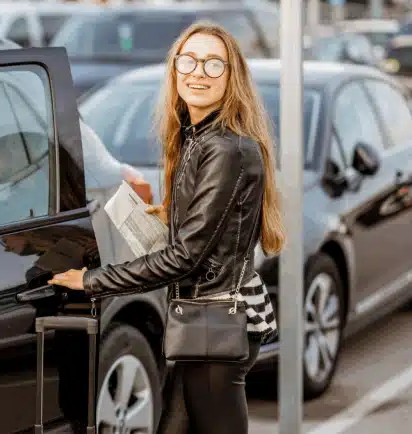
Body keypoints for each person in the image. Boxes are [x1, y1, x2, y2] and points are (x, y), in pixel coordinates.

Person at [48, 21, 284, 434]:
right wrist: (168, 217)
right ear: (174, 68)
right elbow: (211, 231)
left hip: (217, 324)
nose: (198, 72)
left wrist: (94, 281)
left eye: (214, 64)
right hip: (201, 322)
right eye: (188, 60)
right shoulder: (195, 137)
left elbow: (187, 256)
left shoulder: (225, 148)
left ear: (232, 77)